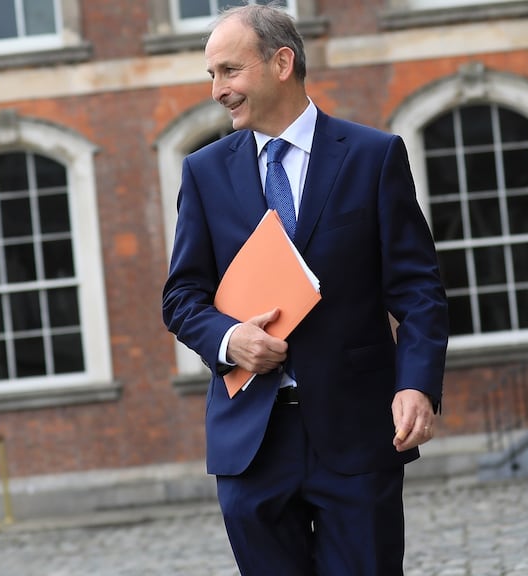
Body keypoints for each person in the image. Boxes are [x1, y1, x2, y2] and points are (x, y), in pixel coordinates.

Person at [162, 4, 448, 575]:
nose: (217, 89)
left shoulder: (373, 157)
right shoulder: (203, 172)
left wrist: (417, 384)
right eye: (211, 75)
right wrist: (229, 340)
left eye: (229, 71)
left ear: (282, 62)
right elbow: (182, 298)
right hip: (252, 446)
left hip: (357, 435)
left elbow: (418, 291)